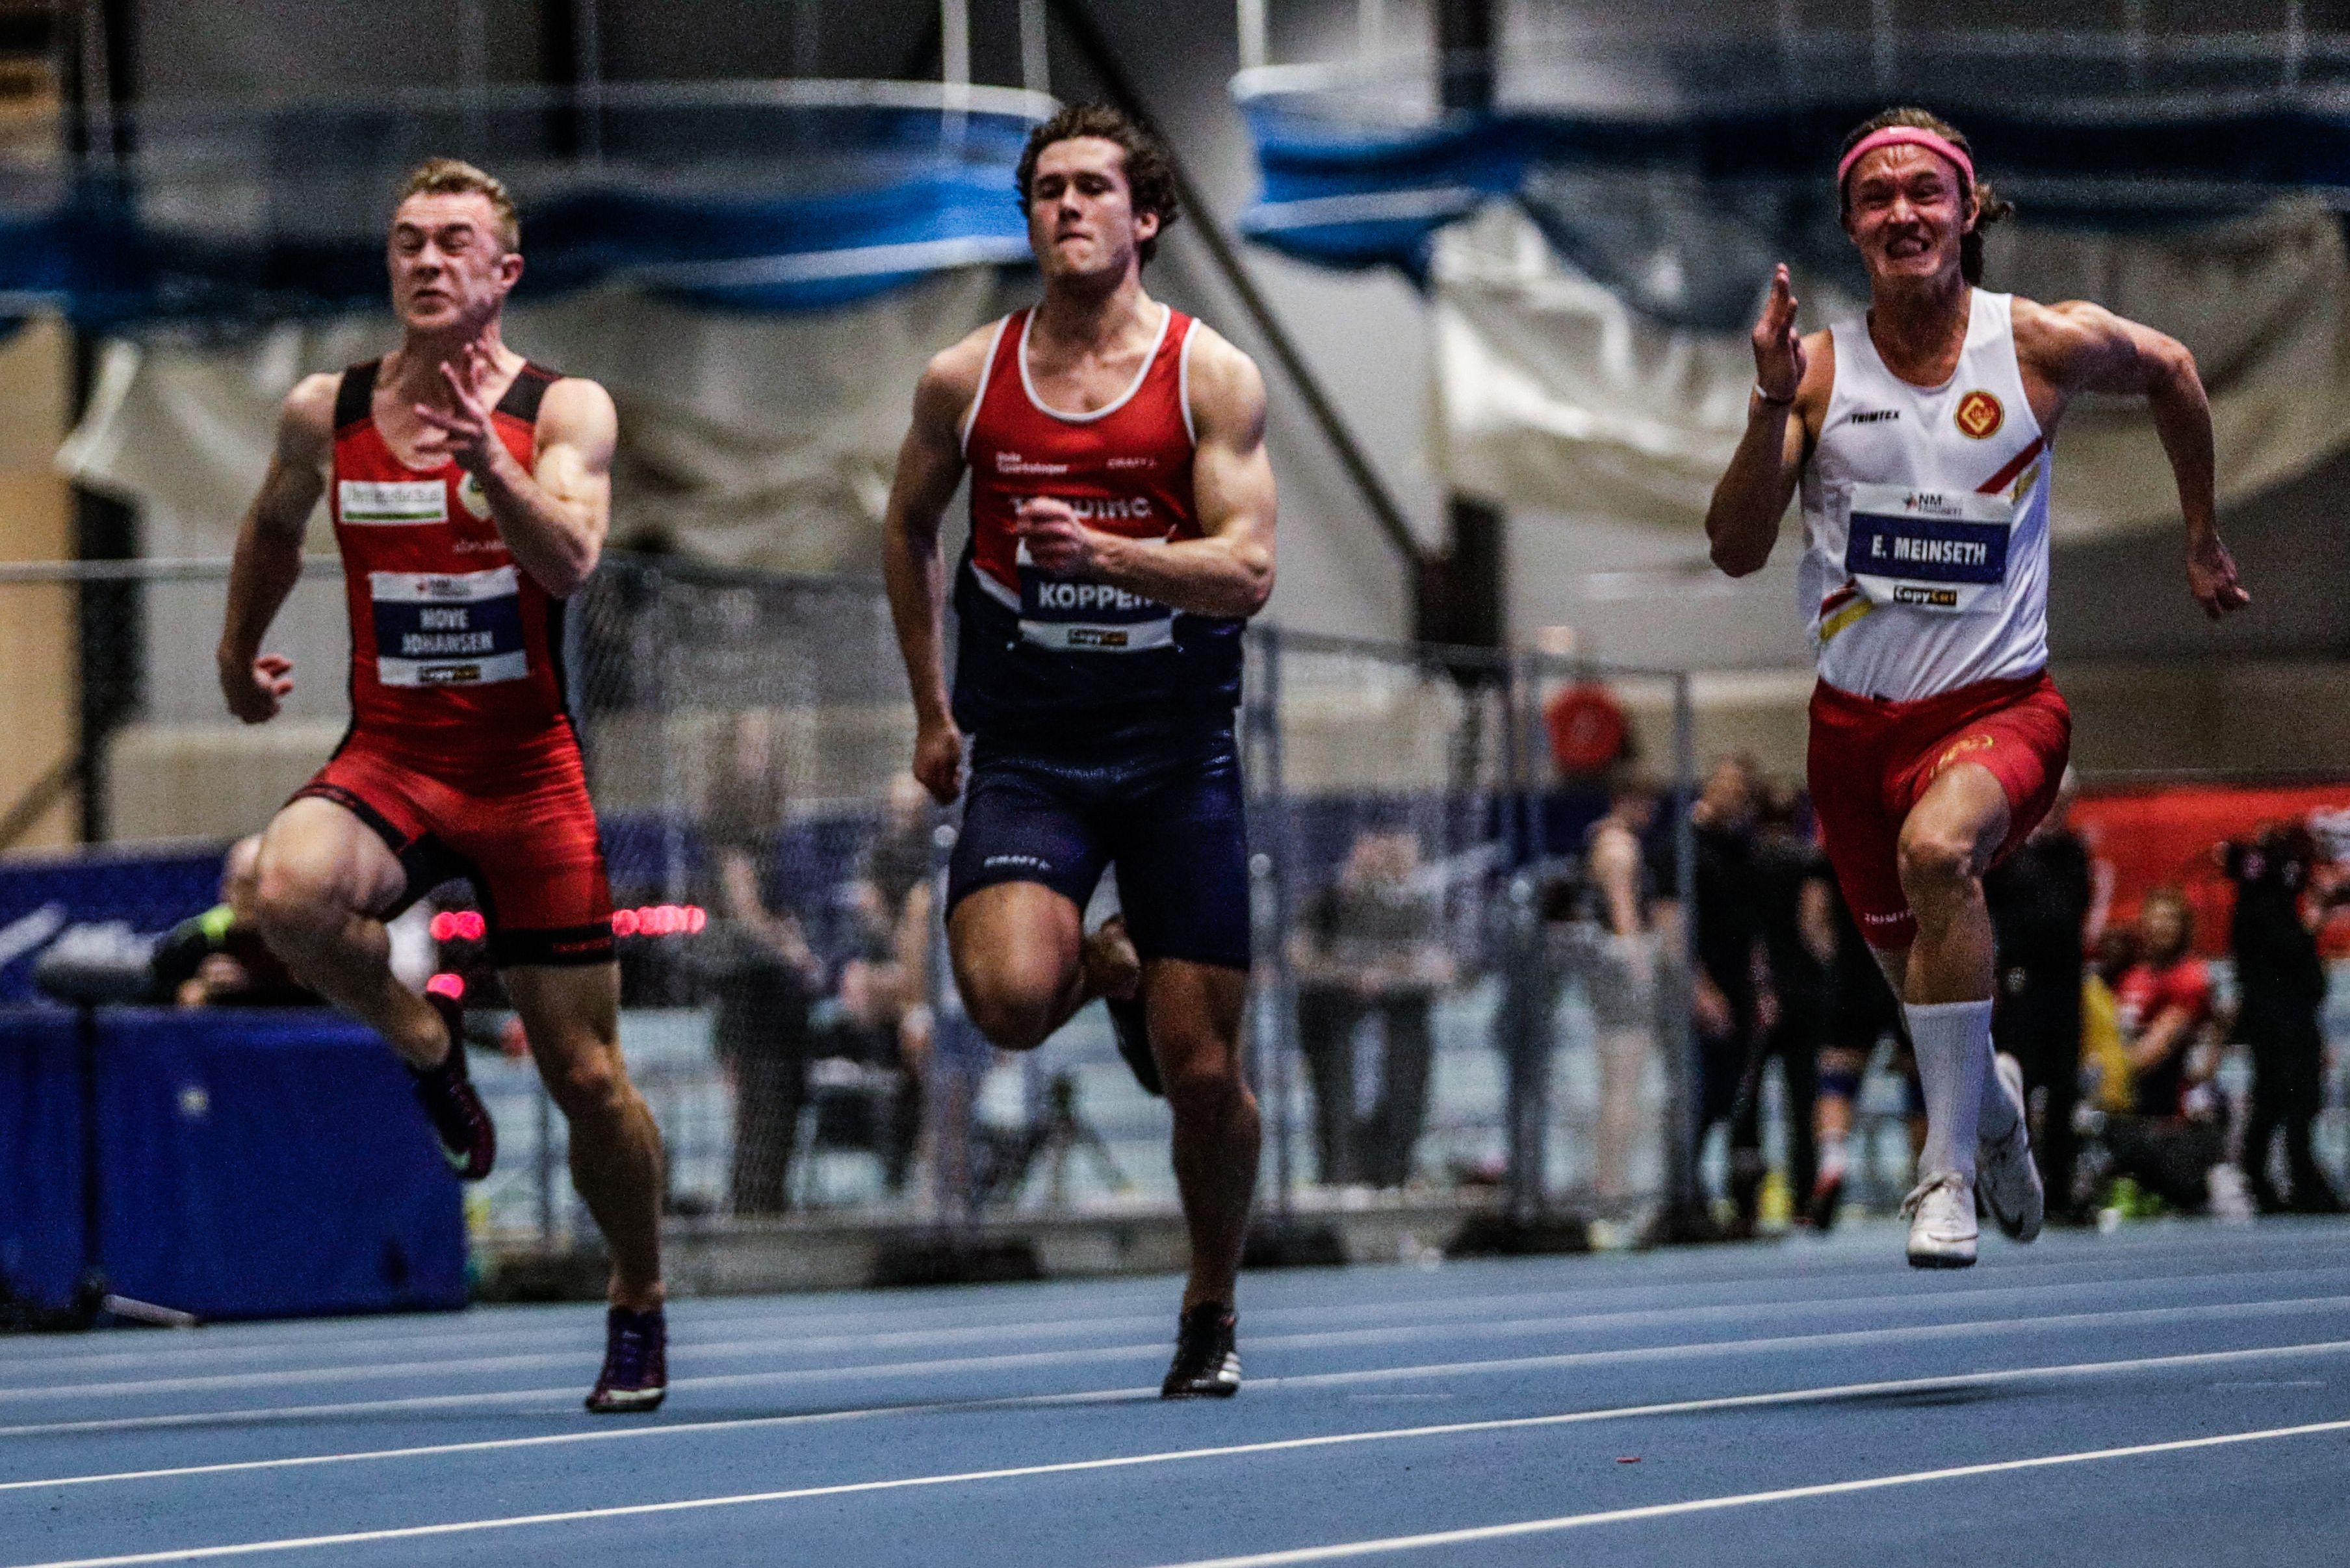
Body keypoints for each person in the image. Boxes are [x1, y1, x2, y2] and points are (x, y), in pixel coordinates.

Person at [1705, 107, 2250, 1266]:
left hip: (2001, 709)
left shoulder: (2039, 342)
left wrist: (2201, 534)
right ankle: (1990, 1106)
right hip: (1853, 735)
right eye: (1876, 198)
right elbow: (1736, 549)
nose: (1902, 213)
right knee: (1924, 995)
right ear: (1852, 226)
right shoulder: (1817, 372)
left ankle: (1945, 1170)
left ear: (1966, 211)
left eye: (1925, 193)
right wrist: (1766, 405)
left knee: (1939, 852)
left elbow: (2174, 370)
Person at [216, 158, 668, 1410]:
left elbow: (571, 560)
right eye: (408, 239)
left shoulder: (564, 407)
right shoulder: (329, 408)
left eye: (453, 241)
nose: (426, 260)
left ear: (503, 271)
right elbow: (272, 522)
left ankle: (638, 1294)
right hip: (395, 756)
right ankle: (425, 1038)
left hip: (525, 776)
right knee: (286, 890)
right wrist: (237, 651)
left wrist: (491, 466)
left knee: (588, 1077)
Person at [879, 105, 1276, 1396]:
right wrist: (931, 709)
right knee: (1003, 1003)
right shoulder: (965, 379)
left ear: (1144, 216)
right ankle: (1106, 964)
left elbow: (1247, 571)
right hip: (1032, 750)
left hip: (1174, 752)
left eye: (1092, 187)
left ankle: (1209, 1304)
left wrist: (1104, 552)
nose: (1066, 206)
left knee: (1201, 1073)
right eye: (1046, 189)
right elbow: (907, 529)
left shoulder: (1209, 375)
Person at [703, 709, 825, 1215]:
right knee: (761, 1095)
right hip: (747, 982)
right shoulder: (730, 823)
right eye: (751, 747)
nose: (761, 757)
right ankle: (754, 1199)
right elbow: (746, 910)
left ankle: (769, 1195)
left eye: (765, 746)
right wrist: (791, 948)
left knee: (786, 1092)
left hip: (776, 986)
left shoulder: (774, 824)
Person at [1291, 829, 1451, 1190]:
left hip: (1396, 1023)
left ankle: (1393, 1173)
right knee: (1337, 1104)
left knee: (1402, 1089)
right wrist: (1352, 975)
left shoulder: (1414, 907)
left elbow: (1440, 966)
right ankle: (1340, 1176)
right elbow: (1301, 957)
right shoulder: (1325, 903)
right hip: (1334, 1022)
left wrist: (1390, 975)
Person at [1983, 767, 2095, 1220]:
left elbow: (2077, 911)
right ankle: (2014, 1188)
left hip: (2064, 982)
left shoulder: (2074, 853)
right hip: (2020, 984)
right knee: (2019, 1088)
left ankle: (2061, 1189)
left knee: (2064, 1086)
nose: (2054, 813)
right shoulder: (2007, 856)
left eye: (2061, 805)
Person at [2224, 826, 2345, 1214]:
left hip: (2278, 1015)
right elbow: (2292, 954)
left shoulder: (2259, 903)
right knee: (2290, 1099)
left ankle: (2265, 1176)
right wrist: (2316, 918)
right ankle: (2292, 1180)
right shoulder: (2266, 906)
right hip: (2282, 1019)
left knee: (2277, 1100)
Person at [1737, 781, 1837, 1229]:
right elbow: (1814, 924)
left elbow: (1749, 932)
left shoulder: (1748, 860)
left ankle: (1746, 1199)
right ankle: (1804, 1198)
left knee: (1749, 1099)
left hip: (1762, 991)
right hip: (1805, 991)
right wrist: (1828, 968)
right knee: (1803, 1097)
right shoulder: (1808, 860)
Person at [1571, 776, 1664, 1202]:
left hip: (1606, 975)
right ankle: (1613, 1181)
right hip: (1622, 976)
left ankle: (1610, 1177)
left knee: (1616, 1083)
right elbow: (1623, 912)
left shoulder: (1598, 840)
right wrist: (1641, 969)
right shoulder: (1620, 848)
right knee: (1624, 1083)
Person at [2105, 889, 2227, 1212]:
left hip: (2174, 1099)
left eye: (2170, 919)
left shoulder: (2191, 978)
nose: (2161, 926)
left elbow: (2157, 1047)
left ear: (2183, 927)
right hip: (2132, 1093)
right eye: (2155, 918)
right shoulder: (2130, 978)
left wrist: (2109, 1074)